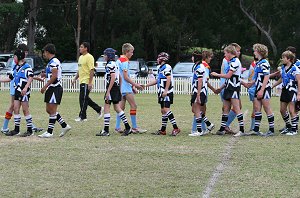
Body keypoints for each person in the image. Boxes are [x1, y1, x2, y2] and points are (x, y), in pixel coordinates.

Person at [1, 44, 43, 134]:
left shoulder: (26, 66)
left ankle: (30, 128)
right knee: (15, 107)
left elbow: (29, 75)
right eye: (25, 52)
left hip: (23, 90)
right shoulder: (15, 64)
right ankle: (15, 129)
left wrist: (26, 86)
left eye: (27, 52)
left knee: (24, 109)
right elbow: (12, 77)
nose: (26, 54)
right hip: (15, 88)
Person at [96, 48, 132, 136]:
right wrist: (118, 87)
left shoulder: (109, 65)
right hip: (115, 88)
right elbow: (119, 77)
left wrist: (108, 91)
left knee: (107, 108)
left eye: (105, 55)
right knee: (117, 108)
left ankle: (106, 130)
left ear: (108, 56)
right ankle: (127, 127)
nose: (104, 56)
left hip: (111, 89)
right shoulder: (114, 64)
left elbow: (112, 77)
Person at [38, 44, 71, 138]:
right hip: (52, 88)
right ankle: (64, 126)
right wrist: (45, 75)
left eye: (44, 52)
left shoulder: (54, 61)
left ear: (47, 52)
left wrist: (45, 86)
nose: (44, 54)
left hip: (55, 88)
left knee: (52, 110)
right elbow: (52, 74)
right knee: (49, 110)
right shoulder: (51, 62)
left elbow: (55, 76)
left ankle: (49, 132)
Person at [211, 45, 245, 137]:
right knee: (226, 109)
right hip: (228, 88)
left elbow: (228, 76)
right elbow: (228, 79)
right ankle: (222, 129)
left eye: (225, 53)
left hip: (233, 88)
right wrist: (222, 87)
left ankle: (242, 130)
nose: (225, 54)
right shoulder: (230, 61)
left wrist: (217, 74)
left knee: (237, 109)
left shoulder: (235, 62)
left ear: (230, 53)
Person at [144, 52, 181, 136]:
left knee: (166, 109)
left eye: (158, 58)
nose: (157, 59)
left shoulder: (167, 67)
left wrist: (166, 90)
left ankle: (176, 128)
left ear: (162, 59)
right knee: (163, 111)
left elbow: (168, 78)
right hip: (161, 92)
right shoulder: (159, 68)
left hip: (167, 92)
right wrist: (146, 85)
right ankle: (163, 130)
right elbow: (157, 80)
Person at [114, 43, 146, 134]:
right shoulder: (125, 60)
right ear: (127, 52)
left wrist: (132, 86)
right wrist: (135, 85)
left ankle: (117, 126)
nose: (132, 54)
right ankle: (135, 127)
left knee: (121, 107)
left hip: (120, 87)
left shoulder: (119, 60)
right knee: (133, 106)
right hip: (125, 87)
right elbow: (126, 77)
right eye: (131, 52)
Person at [246, 43, 274, 136]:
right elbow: (258, 77)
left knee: (267, 108)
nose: (254, 52)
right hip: (257, 88)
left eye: (255, 50)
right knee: (257, 108)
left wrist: (262, 90)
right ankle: (256, 130)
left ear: (259, 52)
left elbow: (266, 76)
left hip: (264, 89)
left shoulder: (264, 63)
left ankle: (272, 130)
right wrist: (250, 84)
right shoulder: (258, 63)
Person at [72, 42, 103, 122]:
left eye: (81, 47)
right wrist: (75, 78)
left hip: (86, 81)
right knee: (85, 98)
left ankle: (82, 117)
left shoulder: (89, 57)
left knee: (82, 98)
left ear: (86, 48)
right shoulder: (80, 57)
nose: (80, 48)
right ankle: (98, 109)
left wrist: (90, 82)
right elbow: (80, 70)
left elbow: (91, 70)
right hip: (82, 81)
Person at [271, 50, 300, 136]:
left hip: (292, 91)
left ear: (289, 59)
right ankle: (288, 126)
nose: (282, 59)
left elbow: (299, 81)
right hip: (285, 91)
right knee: (282, 110)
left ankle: (294, 130)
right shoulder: (283, 68)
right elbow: (282, 79)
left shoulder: (295, 68)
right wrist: (273, 86)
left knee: (292, 111)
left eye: (284, 57)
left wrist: (299, 94)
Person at [189, 50, 215, 136]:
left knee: (197, 110)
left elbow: (200, 80)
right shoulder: (197, 66)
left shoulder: (200, 67)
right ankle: (208, 124)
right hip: (197, 91)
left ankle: (199, 130)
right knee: (195, 110)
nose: (191, 58)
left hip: (199, 91)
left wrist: (198, 94)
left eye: (193, 56)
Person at [218, 43, 242, 134]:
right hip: (227, 86)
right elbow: (228, 75)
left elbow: (233, 75)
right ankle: (224, 127)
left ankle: (224, 126)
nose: (238, 52)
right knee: (228, 108)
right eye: (237, 50)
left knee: (233, 108)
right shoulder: (227, 60)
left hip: (231, 86)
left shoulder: (234, 61)